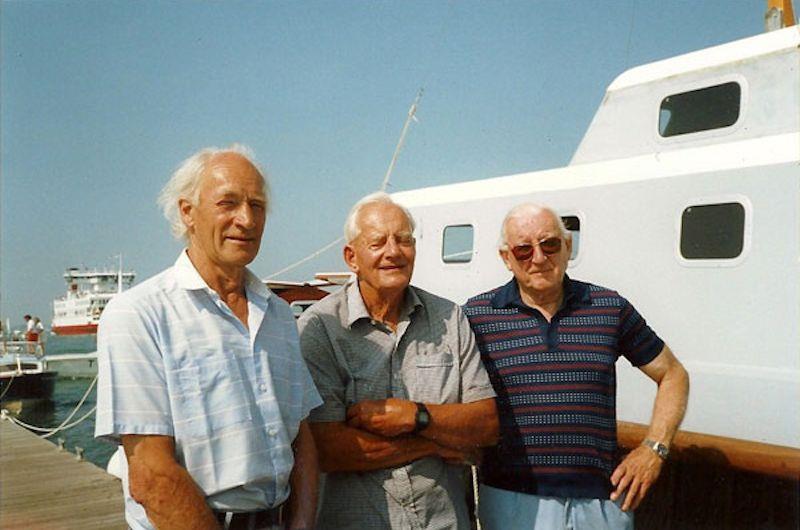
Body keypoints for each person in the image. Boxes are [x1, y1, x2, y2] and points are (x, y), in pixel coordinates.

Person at [95, 145, 322, 530]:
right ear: (188, 212)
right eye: (228, 203)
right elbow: (151, 474)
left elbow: (301, 439)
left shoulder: (279, 316)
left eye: (257, 205)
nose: (246, 219)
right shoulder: (140, 313)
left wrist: (300, 524)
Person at [463, 203, 690, 530]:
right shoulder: (478, 315)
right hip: (512, 499)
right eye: (523, 249)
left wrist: (654, 448)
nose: (539, 258)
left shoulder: (608, 307)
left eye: (550, 244)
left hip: (603, 501)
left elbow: (672, 374)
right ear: (506, 258)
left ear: (568, 246)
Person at [298, 192, 499, 529]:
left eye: (404, 240)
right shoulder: (320, 328)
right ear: (352, 257)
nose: (393, 251)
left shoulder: (450, 318)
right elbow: (327, 448)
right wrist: (432, 443)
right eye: (378, 242)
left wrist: (415, 415)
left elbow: (487, 425)